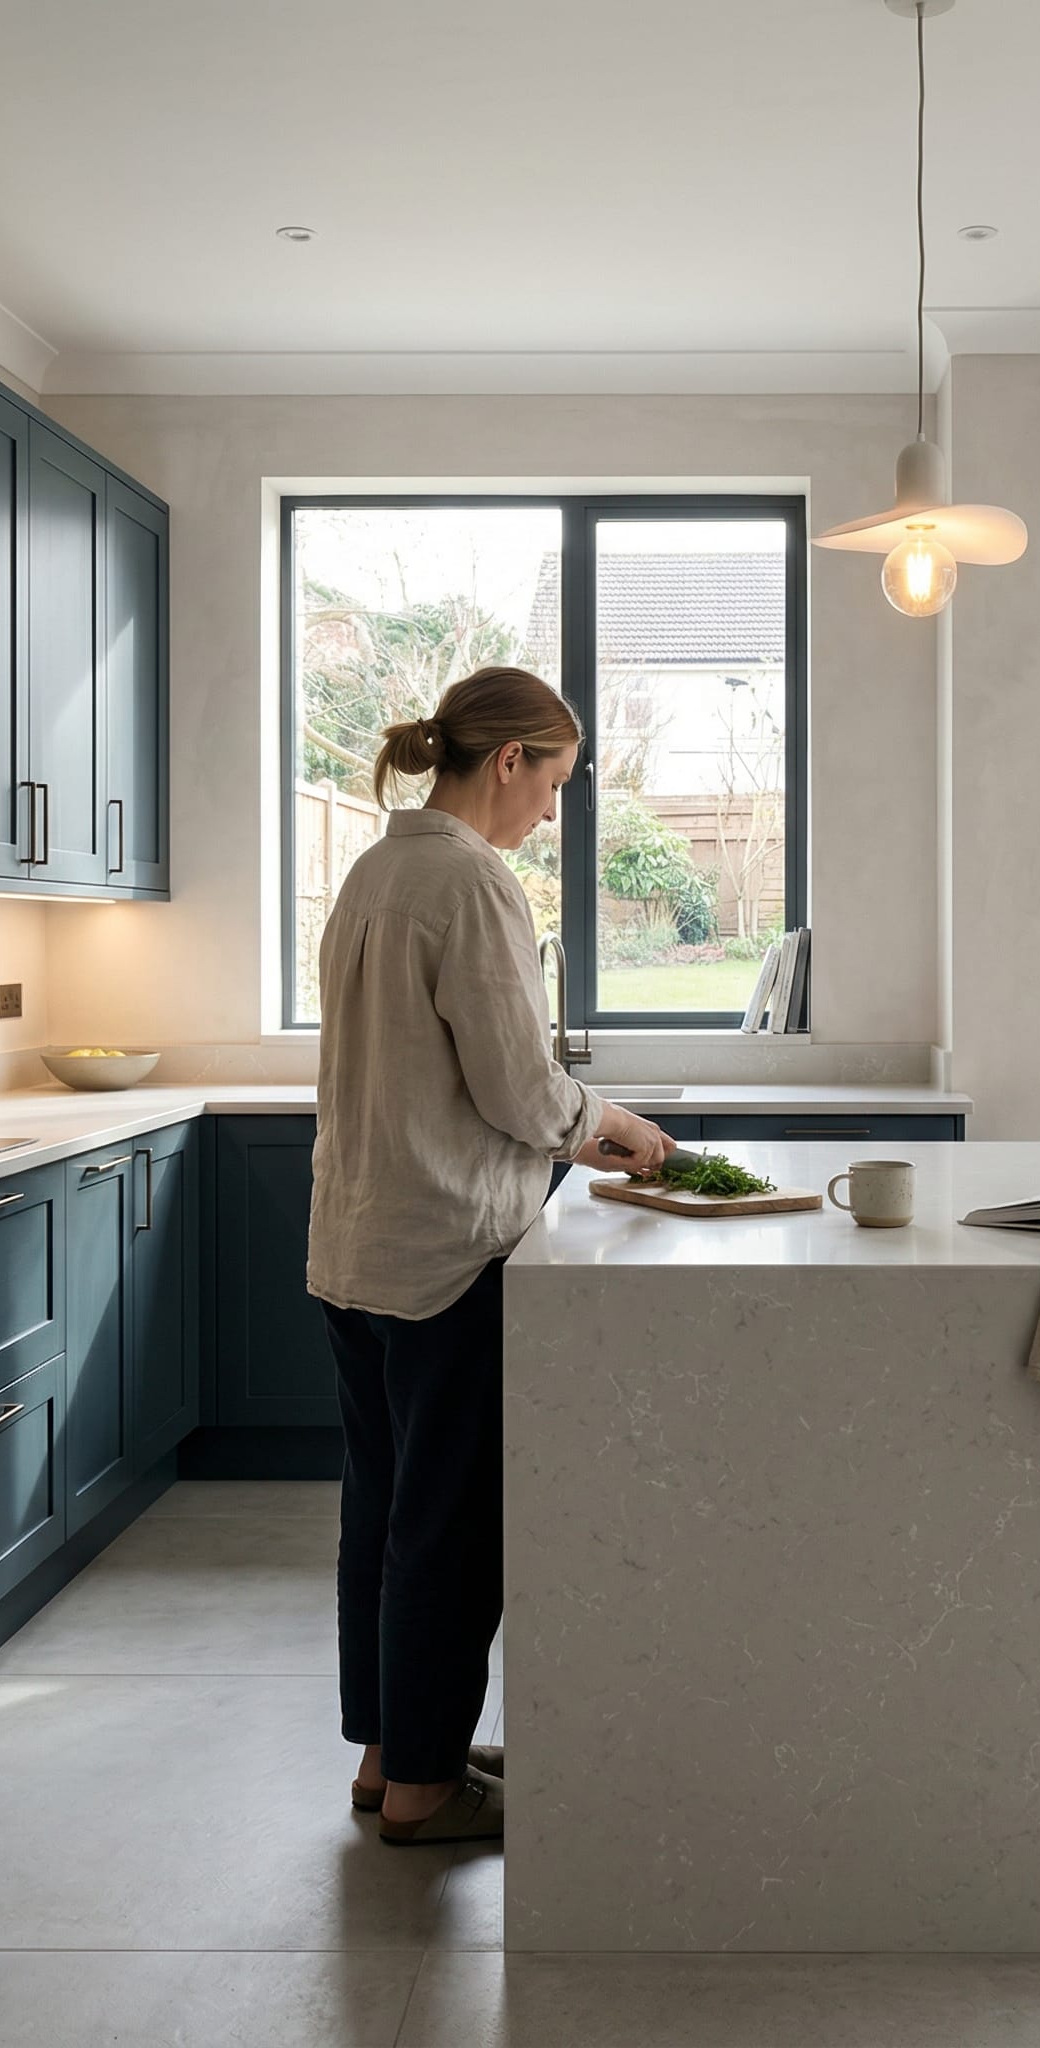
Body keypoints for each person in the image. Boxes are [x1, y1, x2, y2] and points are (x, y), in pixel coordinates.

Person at [307, 665, 673, 1845]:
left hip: (357, 1244)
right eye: (554, 781)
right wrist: (612, 1127)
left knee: (383, 1510)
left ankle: (387, 1751)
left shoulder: (375, 868)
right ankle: (422, 1786)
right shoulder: (469, 881)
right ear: (505, 760)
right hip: (450, 1253)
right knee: (451, 1526)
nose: (551, 811)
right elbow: (520, 1088)